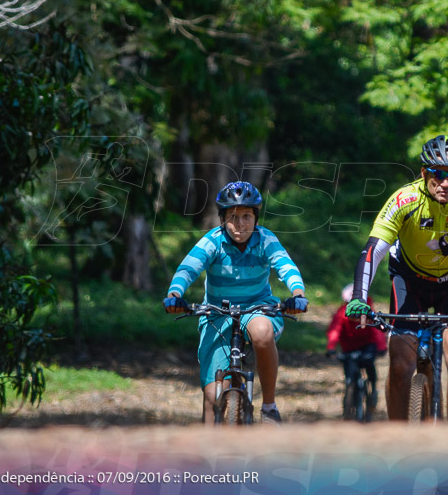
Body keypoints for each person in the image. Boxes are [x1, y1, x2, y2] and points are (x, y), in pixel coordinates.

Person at [345, 135, 448, 421]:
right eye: (438, 174)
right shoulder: (404, 199)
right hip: (409, 282)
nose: (446, 183)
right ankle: (397, 440)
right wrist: (359, 297)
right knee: (400, 361)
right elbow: (373, 250)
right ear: (424, 173)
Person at [163, 181, 308, 425]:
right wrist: (175, 294)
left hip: (258, 307)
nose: (239, 224)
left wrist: (298, 293)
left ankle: (269, 407)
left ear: (256, 218)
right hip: (217, 313)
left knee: (262, 334)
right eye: (232, 216)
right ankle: (210, 459)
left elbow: (286, 266)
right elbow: (189, 267)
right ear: (222, 219)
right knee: (211, 397)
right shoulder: (213, 241)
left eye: (246, 216)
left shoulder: (265, 240)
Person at [325, 284, 388, 418]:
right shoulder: (341, 313)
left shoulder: (368, 311)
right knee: (350, 375)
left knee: (369, 362)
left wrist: (381, 347)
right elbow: (335, 330)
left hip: (367, 344)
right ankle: (349, 397)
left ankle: (373, 387)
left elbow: (377, 331)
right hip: (349, 347)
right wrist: (331, 348)